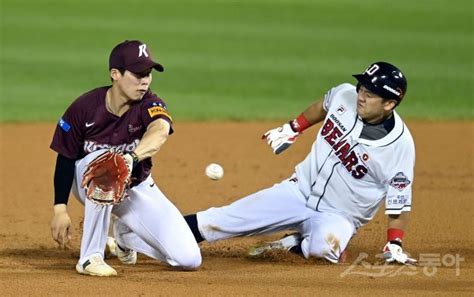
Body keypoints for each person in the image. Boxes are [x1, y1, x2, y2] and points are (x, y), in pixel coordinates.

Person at [185, 61, 416, 265]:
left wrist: (394, 243)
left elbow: (399, 201)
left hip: (339, 215)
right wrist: (294, 127)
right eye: (362, 88)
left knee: (324, 251)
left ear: (389, 104)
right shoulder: (344, 95)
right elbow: (323, 106)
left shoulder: (400, 146)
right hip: (298, 191)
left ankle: (294, 243)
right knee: (222, 220)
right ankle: (159, 237)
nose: (361, 96)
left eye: (370, 93)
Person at [50, 40, 201, 276]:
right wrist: (60, 209)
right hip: (88, 182)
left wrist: (131, 157)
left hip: (136, 185)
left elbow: (160, 130)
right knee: (107, 162)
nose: (145, 81)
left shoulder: (150, 103)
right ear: (115, 74)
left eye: (148, 74)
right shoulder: (84, 107)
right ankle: (90, 257)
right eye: (138, 74)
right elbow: (65, 157)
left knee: (188, 259)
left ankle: (125, 237)